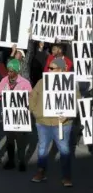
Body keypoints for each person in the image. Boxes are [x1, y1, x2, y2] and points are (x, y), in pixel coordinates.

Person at [29, 58, 80, 187]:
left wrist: (67, 116)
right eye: (48, 68)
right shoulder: (41, 82)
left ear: (62, 69)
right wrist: (36, 113)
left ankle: (66, 177)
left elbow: (77, 103)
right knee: (42, 149)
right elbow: (32, 98)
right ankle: (41, 172)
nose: (48, 70)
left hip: (63, 124)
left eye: (52, 68)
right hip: (43, 123)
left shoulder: (71, 84)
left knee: (64, 150)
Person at [0, 59, 32, 171]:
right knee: (9, 140)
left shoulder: (25, 82)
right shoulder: (4, 80)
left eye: (11, 70)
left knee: (20, 140)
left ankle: (21, 161)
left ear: (17, 71)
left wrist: (26, 100)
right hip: (8, 115)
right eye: (8, 70)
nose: (9, 73)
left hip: (20, 115)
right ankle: (11, 161)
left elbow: (30, 97)